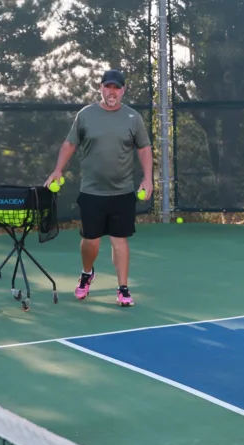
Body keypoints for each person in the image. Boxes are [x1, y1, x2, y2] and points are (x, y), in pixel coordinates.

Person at [45, 69, 152, 307]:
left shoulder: (133, 118)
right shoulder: (86, 115)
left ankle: (123, 288)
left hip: (123, 191)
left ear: (123, 90)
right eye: (108, 87)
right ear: (101, 88)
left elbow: (144, 149)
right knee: (90, 241)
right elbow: (70, 143)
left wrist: (148, 178)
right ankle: (87, 273)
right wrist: (57, 170)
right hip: (92, 191)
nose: (112, 92)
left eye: (117, 88)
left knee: (119, 240)